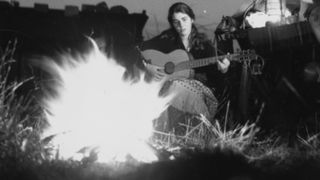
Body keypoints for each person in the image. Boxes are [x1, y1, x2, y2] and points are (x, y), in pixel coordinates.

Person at [139, 2, 230, 133]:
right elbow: (139, 50)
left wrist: (224, 70)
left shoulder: (205, 46)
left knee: (178, 87)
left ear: (192, 19)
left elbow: (215, 79)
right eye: (176, 22)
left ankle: (200, 133)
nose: (181, 26)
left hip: (196, 91)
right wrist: (147, 67)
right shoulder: (165, 40)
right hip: (166, 88)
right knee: (173, 86)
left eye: (184, 19)